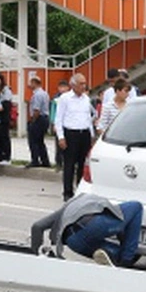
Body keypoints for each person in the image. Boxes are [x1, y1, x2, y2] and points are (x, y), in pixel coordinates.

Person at [31, 194, 144, 268]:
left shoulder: (66, 209)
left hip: (73, 242)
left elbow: (37, 227)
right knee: (136, 206)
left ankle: (115, 256)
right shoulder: (98, 203)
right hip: (93, 225)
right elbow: (119, 218)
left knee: (113, 253)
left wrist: (37, 258)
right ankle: (127, 260)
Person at [55, 73, 94, 201]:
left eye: (85, 83)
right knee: (69, 164)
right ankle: (67, 192)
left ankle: (80, 190)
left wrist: (92, 135)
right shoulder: (65, 98)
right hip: (70, 133)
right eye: (81, 84)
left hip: (84, 133)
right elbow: (58, 118)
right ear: (73, 85)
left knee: (83, 164)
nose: (84, 86)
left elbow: (88, 117)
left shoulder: (86, 99)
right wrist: (61, 137)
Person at [25, 76, 51, 168]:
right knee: (40, 141)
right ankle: (45, 161)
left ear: (34, 83)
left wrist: (33, 121)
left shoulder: (37, 95)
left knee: (33, 141)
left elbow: (36, 110)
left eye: (30, 83)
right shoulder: (45, 93)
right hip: (45, 118)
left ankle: (35, 160)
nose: (29, 85)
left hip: (39, 119)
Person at [0, 72, 14, 165]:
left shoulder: (6, 91)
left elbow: (6, 105)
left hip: (4, 118)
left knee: (4, 137)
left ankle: (6, 157)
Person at [51, 78, 69, 170]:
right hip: (59, 124)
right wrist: (54, 123)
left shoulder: (70, 97)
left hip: (68, 124)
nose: (62, 89)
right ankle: (58, 163)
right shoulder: (56, 98)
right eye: (61, 87)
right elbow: (53, 111)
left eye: (64, 87)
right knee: (58, 144)